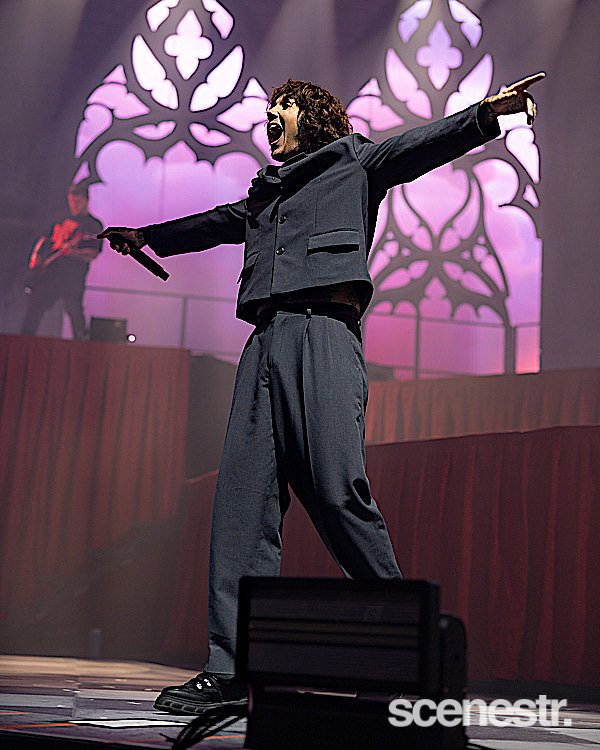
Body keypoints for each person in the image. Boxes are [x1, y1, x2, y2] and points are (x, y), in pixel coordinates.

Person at [99, 73, 543, 715]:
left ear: (313, 116)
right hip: (263, 343)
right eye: (269, 108)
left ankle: (408, 651)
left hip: (324, 334)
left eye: (283, 106)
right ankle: (230, 670)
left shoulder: (354, 162)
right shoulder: (265, 194)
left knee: (337, 492)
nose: (271, 115)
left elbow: (421, 145)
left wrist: (486, 116)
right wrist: (148, 237)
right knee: (241, 508)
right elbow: (212, 224)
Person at [21, 183, 102, 340]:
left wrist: (73, 253)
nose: (73, 205)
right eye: (71, 201)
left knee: (74, 309)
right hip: (51, 273)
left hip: (73, 276)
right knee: (36, 306)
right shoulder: (61, 218)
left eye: (77, 201)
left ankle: (81, 345)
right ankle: (23, 343)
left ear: (86, 200)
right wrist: (36, 255)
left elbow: (92, 253)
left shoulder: (93, 225)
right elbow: (44, 238)